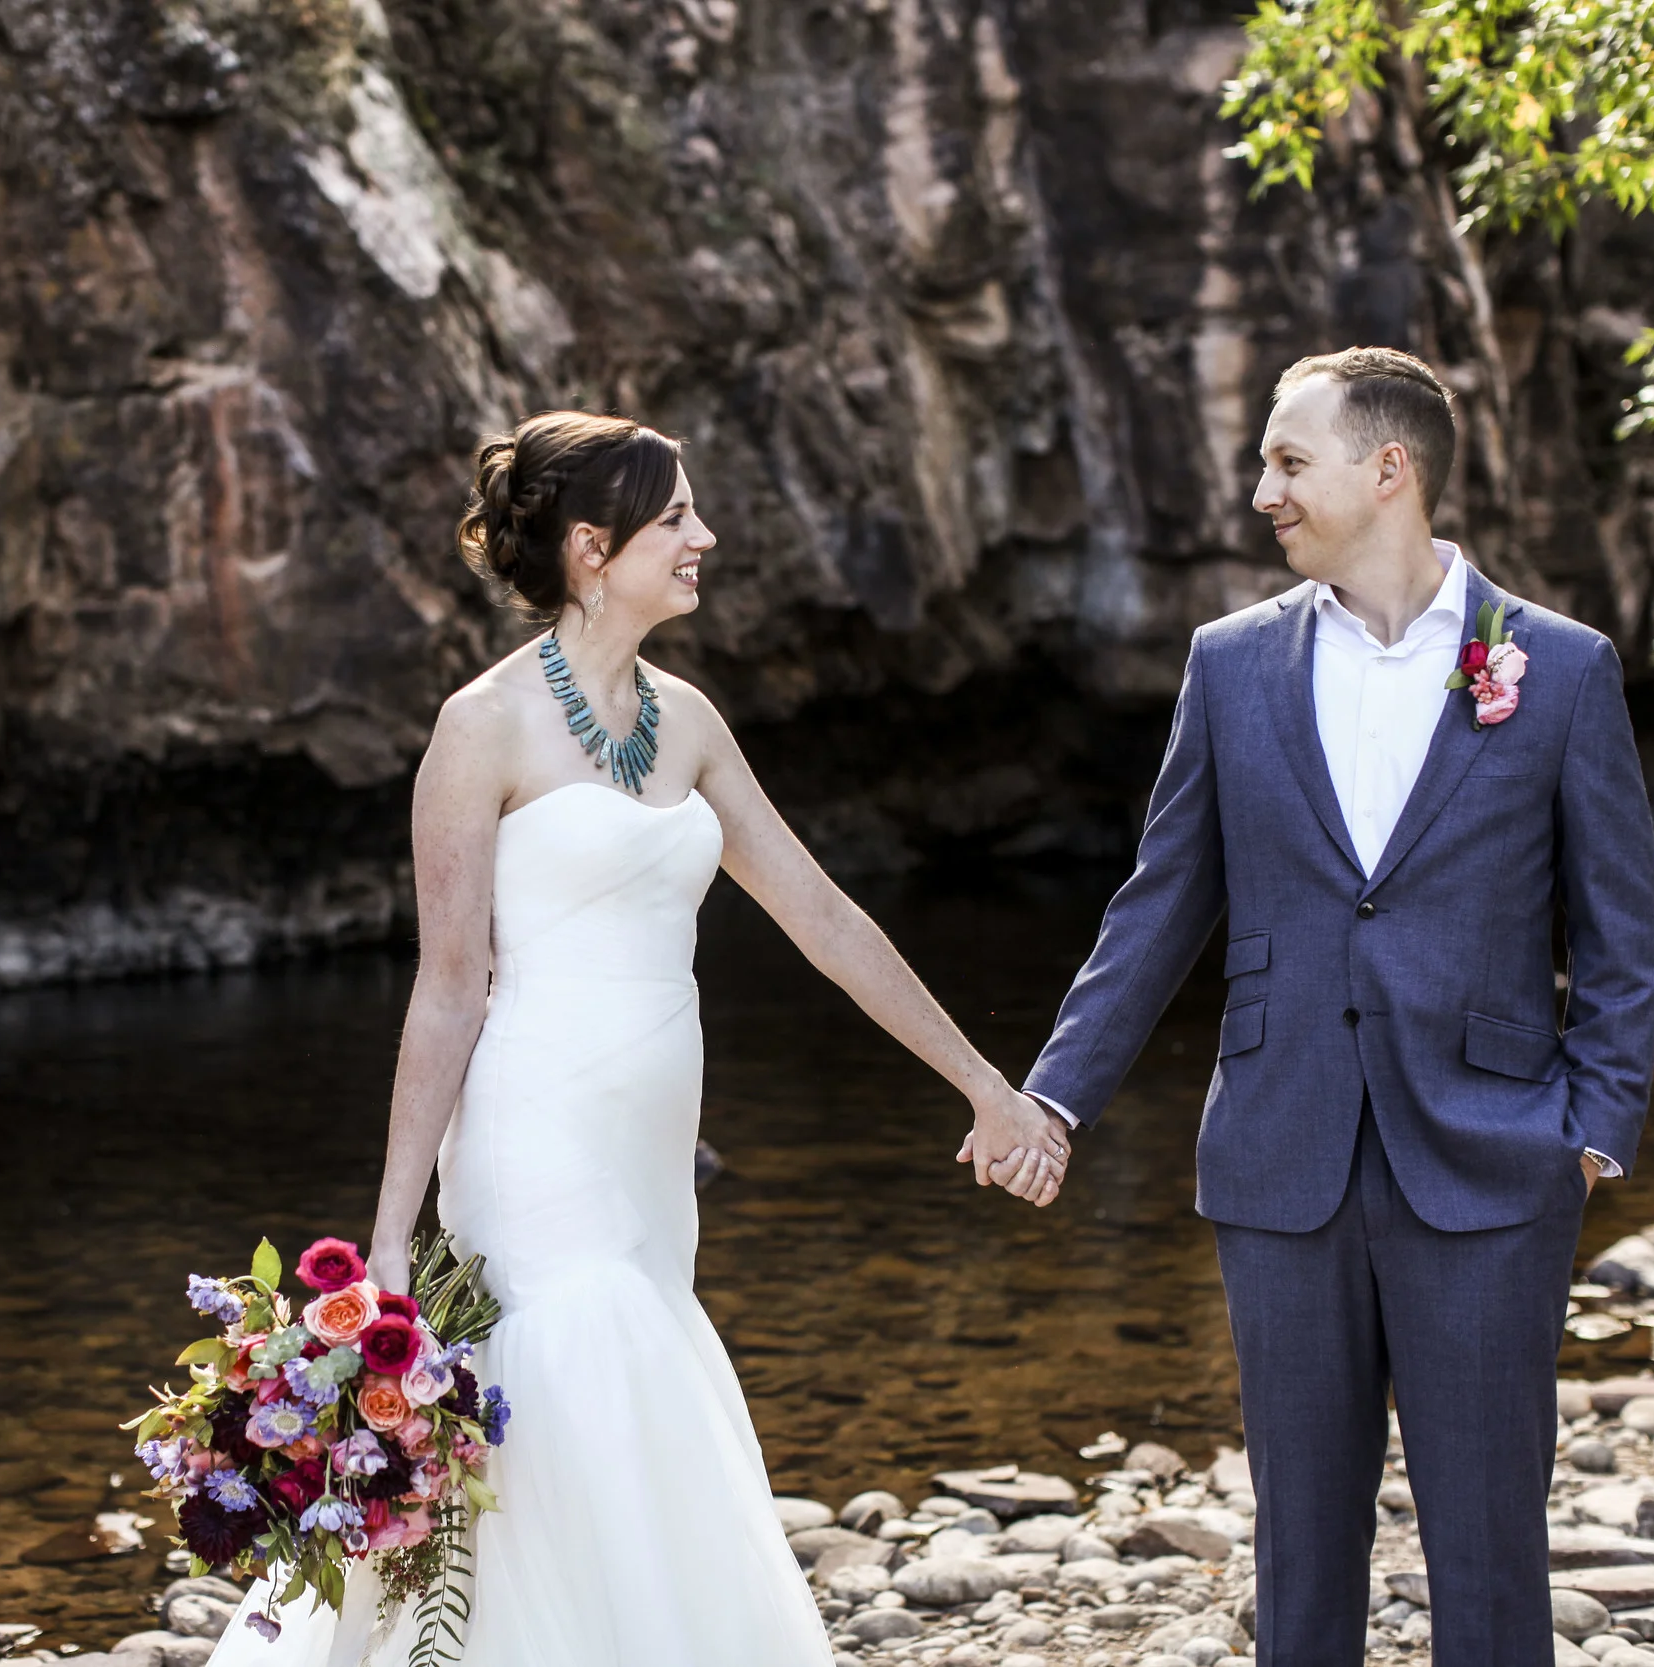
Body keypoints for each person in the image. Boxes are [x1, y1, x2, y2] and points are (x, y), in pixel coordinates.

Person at [211, 410, 1074, 1666]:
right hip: (533, 1132)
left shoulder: (692, 721)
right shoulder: (481, 726)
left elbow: (824, 917)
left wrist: (988, 1087)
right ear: (588, 548)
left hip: (650, 1165)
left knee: (623, 1387)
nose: (704, 537)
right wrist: (390, 1234)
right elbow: (448, 985)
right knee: (582, 1373)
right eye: (676, 517)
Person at [966, 348, 1654, 1666]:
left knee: (1492, 1545)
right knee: (1298, 1543)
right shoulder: (1231, 666)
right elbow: (1161, 899)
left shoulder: (1559, 669)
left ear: (1387, 469)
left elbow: (1622, 931)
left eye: (1289, 461)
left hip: (1496, 1162)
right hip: (1280, 1158)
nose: (1260, 493)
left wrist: (1593, 1123)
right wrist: (1055, 1093)